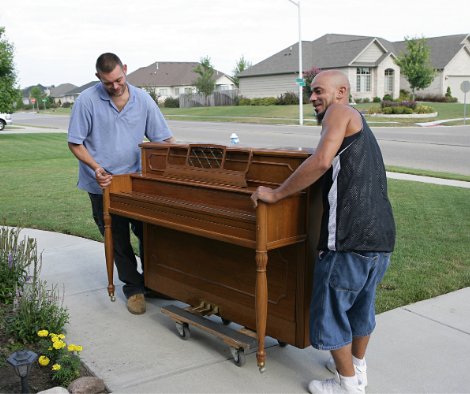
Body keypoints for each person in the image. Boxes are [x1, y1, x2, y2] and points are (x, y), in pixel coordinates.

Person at [251, 70, 395, 394]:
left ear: (341, 92)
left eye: (319, 91)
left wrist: (275, 194)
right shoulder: (358, 121)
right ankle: (357, 369)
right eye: (311, 93)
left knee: (329, 314)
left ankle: (346, 385)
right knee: (360, 307)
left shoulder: (339, 112)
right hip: (380, 239)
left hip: (348, 240)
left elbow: (320, 161)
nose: (313, 98)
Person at [68, 53, 176, 315]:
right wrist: (96, 169)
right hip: (102, 184)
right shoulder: (86, 101)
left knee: (149, 233)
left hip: (136, 183)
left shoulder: (143, 100)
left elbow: (163, 141)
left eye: (118, 79)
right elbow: (75, 142)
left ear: (125, 70)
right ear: (98, 78)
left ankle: (154, 282)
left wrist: (176, 166)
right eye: (108, 83)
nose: (115, 86)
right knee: (117, 238)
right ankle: (134, 288)